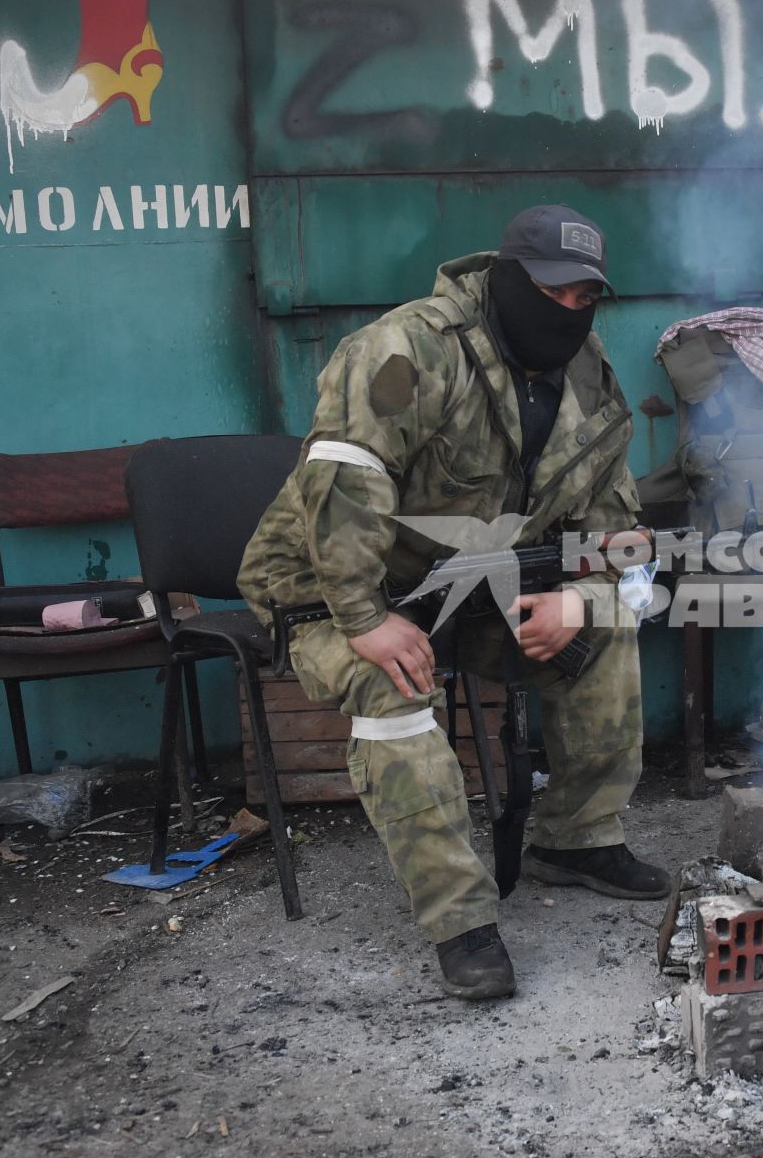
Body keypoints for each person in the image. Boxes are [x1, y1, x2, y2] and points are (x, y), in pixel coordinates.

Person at [239, 205, 667, 1000]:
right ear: (506, 277)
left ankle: (576, 840)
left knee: (605, 627)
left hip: (475, 585)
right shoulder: (408, 349)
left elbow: (618, 530)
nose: (569, 314)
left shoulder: (588, 377)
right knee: (391, 685)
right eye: (552, 293)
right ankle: (461, 921)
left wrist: (584, 594)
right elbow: (344, 486)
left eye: (586, 300)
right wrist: (365, 620)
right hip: (333, 591)